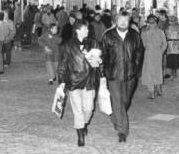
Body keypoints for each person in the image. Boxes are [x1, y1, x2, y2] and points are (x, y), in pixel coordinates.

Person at [100, 11, 143, 143]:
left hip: (130, 75)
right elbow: (103, 55)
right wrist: (103, 73)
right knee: (118, 101)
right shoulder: (108, 36)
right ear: (116, 21)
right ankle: (122, 131)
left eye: (126, 20)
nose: (123, 22)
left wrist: (136, 68)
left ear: (129, 21)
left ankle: (115, 117)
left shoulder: (134, 35)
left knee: (125, 101)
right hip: (113, 75)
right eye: (120, 20)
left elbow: (139, 52)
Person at [57, 20, 101, 147]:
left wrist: (98, 61)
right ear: (77, 30)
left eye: (87, 29)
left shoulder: (93, 43)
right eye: (85, 29)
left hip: (89, 80)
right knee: (78, 110)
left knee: (89, 109)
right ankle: (80, 134)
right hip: (74, 81)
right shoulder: (68, 45)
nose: (87, 31)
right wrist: (61, 82)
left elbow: (100, 60)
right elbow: (63, 65)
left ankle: (84, 124)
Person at [141, 15, 167, 99]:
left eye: (153, 22)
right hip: (148, 53)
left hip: (157, 53)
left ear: (156, 23)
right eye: (150, 22)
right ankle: (151, 91)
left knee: (157, 71)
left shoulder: (160, 32)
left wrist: (161, 52)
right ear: (148, 23)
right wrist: (148, 48)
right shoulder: (144, 32)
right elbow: (143, 43)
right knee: (148, 72)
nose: (151, 24)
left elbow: (165, 44)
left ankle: (159, 89)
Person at [165, 16, 179, 80]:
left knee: (175, 59)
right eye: (170, 21)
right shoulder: (167, 28)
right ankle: (172, 74)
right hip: (170, 44)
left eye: (172, 21)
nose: (171, 22)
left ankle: (174, 73)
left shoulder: (178, 28)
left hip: (175, 44)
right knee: (171, 59)